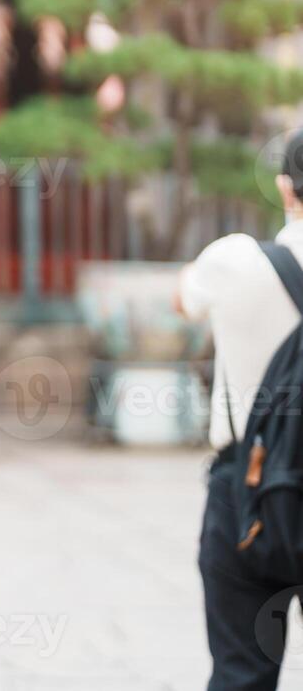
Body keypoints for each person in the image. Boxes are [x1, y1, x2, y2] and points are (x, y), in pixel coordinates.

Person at [180, 129, 303, 691]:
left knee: (240, 671)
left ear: (285, 188)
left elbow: (183, 302)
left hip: (248, 491)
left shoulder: (234, 260)